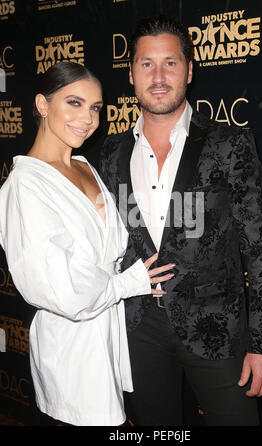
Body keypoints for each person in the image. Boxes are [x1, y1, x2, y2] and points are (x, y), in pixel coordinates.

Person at [98, 16, 262, 426]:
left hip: (218, 329)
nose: (159, 75)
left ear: (189, 70)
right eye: (147, 64)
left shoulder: (228, 143)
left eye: (171, 62)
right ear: (131, 74)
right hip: (138, 329)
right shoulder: (110, 153)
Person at [0, 61, 175, 426]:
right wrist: (131, 283)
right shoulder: (24, 186)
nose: (89, 118)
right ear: (43, 105)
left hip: (108, 343)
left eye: (95, 108)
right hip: (72, 354)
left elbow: (111, 248)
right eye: (74, 103)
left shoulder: (85, 166)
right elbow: (65, 292)